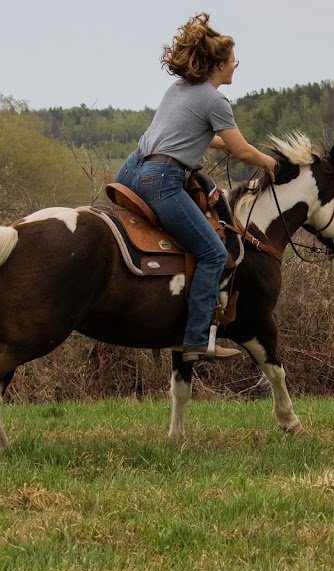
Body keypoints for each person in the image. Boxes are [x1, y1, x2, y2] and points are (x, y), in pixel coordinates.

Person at [115, 12, 277, 363]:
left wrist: (216, 141)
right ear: (220, 64)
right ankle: (196, 339)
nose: (236, 66)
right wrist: (269, 163)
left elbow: (206, 136)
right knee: (213, 253)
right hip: (162, 181)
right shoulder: (215, 100)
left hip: (130, 171)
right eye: (233, 60)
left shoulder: (180, 89)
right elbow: (240, 149)